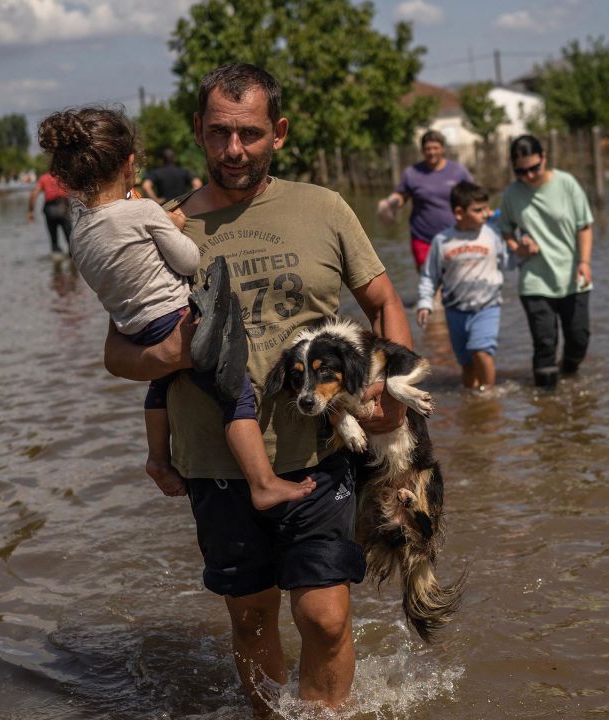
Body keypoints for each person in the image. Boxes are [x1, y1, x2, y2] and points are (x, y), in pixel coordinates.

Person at [102, 63, 411, 713]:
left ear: (280, 133)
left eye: (249, 134)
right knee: (249, 622)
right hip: (216, 465)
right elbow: (116, 354)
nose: (233, 150)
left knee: (325, 619)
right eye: (218, 134)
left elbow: (383, 301)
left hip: (321, 451)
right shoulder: (163, 229)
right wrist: (169, 351)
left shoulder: (323, 209)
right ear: (197, 132)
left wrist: (388, 398)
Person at [37, 106, 315, 512]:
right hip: (176, 316)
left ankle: (157, 459)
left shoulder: (79, 234)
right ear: (130, 164)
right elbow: (187, 261)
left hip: (134, 326)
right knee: (236, 394)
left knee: (161, 383)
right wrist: (174, 226)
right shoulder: (145, 211)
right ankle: (263, 481)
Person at [498, 134, 594, 388]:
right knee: (544, 343)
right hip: (535, 280)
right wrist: (518, 247)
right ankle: (547, 412)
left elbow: (584, 226)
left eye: (534, 168)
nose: (528, 176)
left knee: (578, 340)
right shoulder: (511, 194)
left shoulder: (567, 183)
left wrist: (584, 262)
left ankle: (570, 377)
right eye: (521, 171)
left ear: (544, 158)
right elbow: (505, 230)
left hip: (573, 277)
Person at [416, 181, 512, 393]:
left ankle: (488, 395)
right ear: (459, 213)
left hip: (487, 306)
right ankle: (471, 398)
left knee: (481, 352)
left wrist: (522, 247)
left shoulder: (492, 234)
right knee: (466, 363)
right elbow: (430, 276)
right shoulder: (442, 241)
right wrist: (425, 303)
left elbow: (508, 261)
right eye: (478, 210)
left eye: (486, 208)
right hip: (455, 310)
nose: (485, 214)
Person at [377, 130, 473, 271]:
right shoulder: (412, 173)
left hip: (454, 236)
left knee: (456, 279)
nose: (431, 152)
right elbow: (402, 196)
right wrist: (390, 203)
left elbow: (473, 196)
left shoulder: (458, 171)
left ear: (443, 149)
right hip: (423, 238)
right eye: (427, 149)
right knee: (428, 282)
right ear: (422, 150)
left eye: (435, 148)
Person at [27, 170, 72, 254]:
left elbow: (34, 194)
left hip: (50, 210)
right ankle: (73, 262)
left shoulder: (44, 178)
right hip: (63, 208)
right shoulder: (64, 176)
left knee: (54, 240)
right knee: (70, 239)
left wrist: (31, 211)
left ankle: (57, 260)